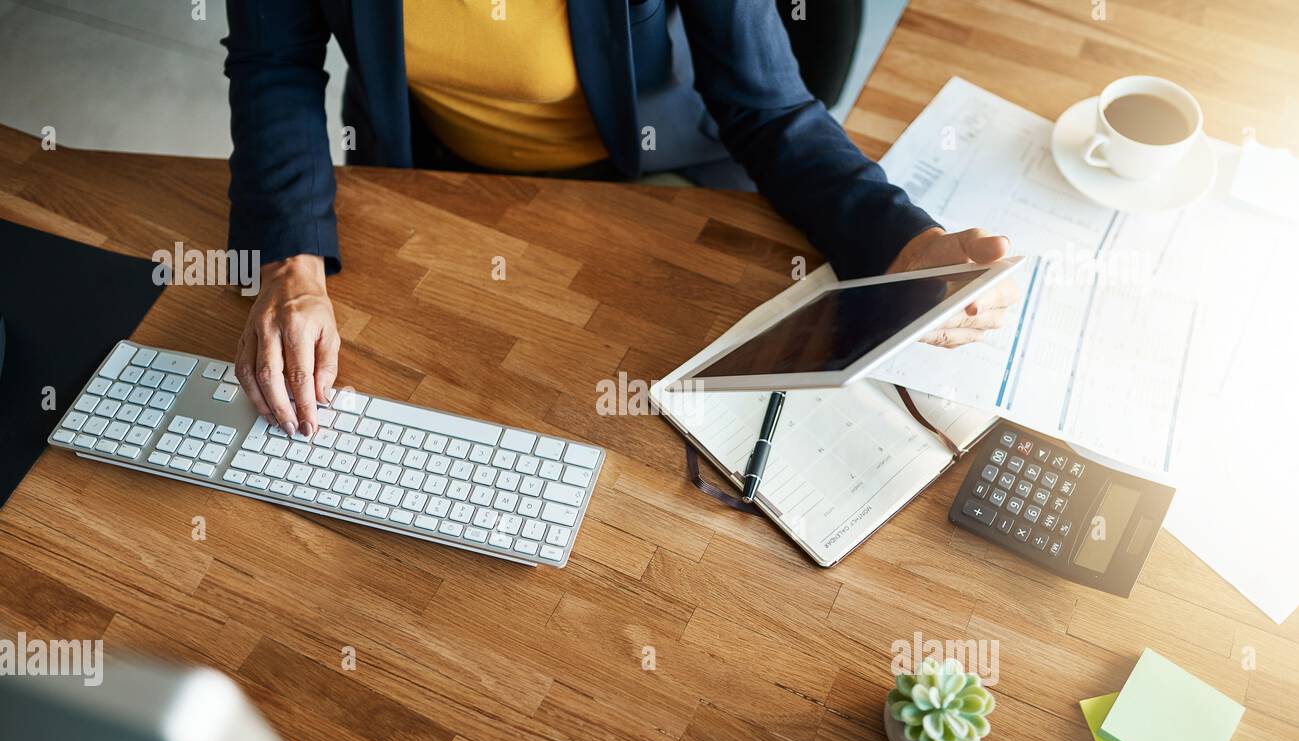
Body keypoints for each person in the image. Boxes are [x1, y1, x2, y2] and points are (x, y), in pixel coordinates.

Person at [223, 0, 1017, 437]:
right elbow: (275, 62)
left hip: (656, 174)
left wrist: (904, 240)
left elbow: (770, 109)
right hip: (432, 173)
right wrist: (292, 259)